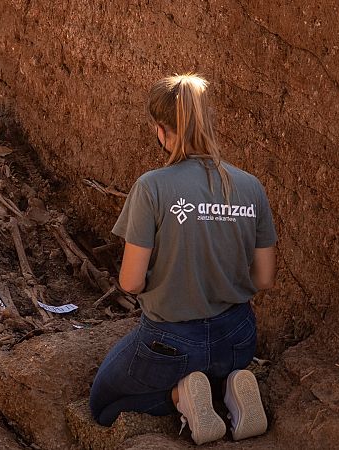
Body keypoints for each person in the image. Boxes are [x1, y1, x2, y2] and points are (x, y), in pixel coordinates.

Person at [88, 73, 277, 445]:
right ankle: (229, 388)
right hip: (238, 338)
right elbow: (265, 278)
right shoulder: (250, 186)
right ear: (209, 120)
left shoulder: (152, 187)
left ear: (161, 129)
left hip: (170, 342)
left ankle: (181, 395)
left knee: (103, 403)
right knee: (215, 361)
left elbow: (130, 282)